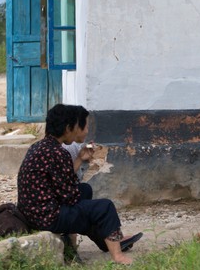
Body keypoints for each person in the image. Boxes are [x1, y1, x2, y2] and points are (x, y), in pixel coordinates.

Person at [17, 104, 142, 265]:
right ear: (69, 128)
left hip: (33, 213)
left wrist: (79, 160)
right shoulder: (57, 153)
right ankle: (118, 256)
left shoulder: (40, 147)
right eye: (82, 126)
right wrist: (91, 210)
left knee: (85, 191)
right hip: (47, 217)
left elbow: (61, 182)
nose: (85, 130)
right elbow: (69, 196)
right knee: (104, 207)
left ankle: (104, 240)